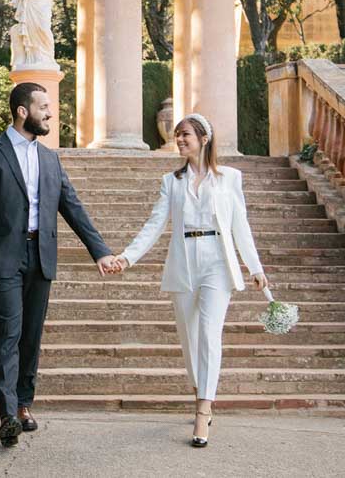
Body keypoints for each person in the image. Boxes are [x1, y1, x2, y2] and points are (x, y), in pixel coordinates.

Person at [0, 82, 118, 448]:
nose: (50, 113)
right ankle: (7, 414)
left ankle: (24, 405)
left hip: (41, 257)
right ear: (22, 111)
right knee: (8, 334)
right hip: (2, 260)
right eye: (43, 106)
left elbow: (72, 206)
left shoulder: (50, 158)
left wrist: (100, 251)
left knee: (31, 336)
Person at [111, 113, 269, 448]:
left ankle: (203, 410)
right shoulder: (172, 181)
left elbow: (240, 225)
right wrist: (128, 256)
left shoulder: (229, 178)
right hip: (184, 262)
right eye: (177, 135)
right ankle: (202, 389)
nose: (179, 139)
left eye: (185, 135)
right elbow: (154, 224)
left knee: (209, 334)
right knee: (189, 338)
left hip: (217, 261)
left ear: (203, 138)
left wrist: (254, 268)